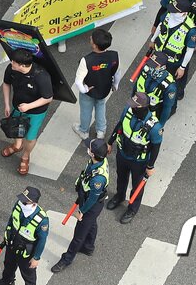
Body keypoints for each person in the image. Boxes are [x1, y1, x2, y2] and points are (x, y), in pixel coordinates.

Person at [51, 141, 109, 274]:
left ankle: (67, 259)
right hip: (88, 199)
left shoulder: (98, 179)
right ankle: (88, 247)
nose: (88, 149)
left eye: (89, 149)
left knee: (78, 235)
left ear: (93, 154)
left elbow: (93, 198)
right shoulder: (98, 161)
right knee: (92, 224)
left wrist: (81, 211)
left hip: (91, 205)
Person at [105, 92, 162, 223]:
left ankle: (132, 209)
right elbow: (119, 125)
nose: (131, 106)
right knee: (121, 177)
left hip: (139, 161)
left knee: (137, 186)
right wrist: (110, 142)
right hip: (123, 153)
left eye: (134, 105)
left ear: (142, 108)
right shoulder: (128, 111)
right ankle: (119, 196)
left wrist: (150, 166)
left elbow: (155, 147)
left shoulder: (154, 127)